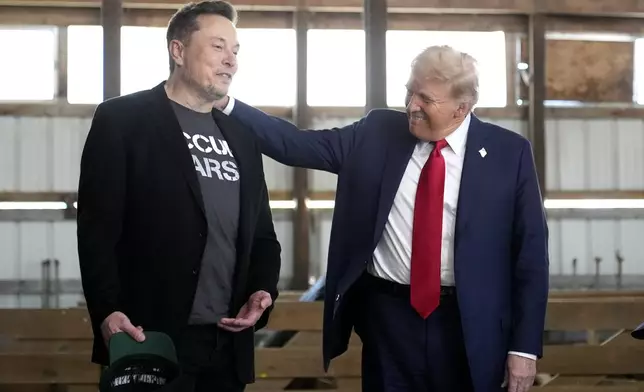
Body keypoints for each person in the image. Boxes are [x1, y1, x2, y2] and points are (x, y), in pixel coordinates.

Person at [215, 45, 549, 392]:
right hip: (389, 321)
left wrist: (524, 348)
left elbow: (531, 259)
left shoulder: (510, 154)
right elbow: (294, 144)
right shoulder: (377, 132)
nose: (411, 105)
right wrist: (225, 103)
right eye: (409, 91)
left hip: (470, 325)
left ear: (461, 108)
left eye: (425, 99)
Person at [77, 2, 281, 391]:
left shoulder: (240, 136)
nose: (231, 61)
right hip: (147, 337)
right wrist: (107, 310)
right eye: (219, 46)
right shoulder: (122, 120)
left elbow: (262, 235)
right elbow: (96, 229)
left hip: (226, 343)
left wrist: (262, 289)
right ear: (178, 50)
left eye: (236, 51)